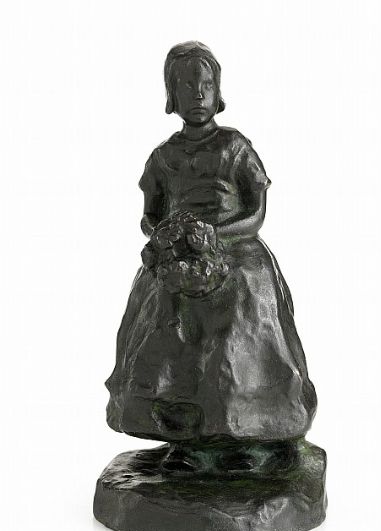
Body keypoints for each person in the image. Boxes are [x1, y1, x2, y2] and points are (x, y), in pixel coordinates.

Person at [105, 41, 317, 473]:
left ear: (218, 90)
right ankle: (188, 438)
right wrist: (167, 238)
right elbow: (149, 216)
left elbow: (256, 211)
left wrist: (215, 236)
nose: (198, 94)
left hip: (237, 248)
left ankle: (248, 432)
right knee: (163, 304)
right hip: (179, 251)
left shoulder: (234, 146)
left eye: (205, 85)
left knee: (241, 301)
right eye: (186, 86)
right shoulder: (164, 157)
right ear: (171, 94)